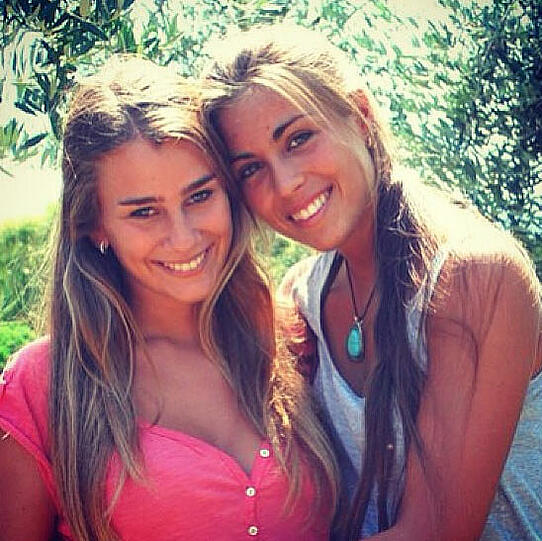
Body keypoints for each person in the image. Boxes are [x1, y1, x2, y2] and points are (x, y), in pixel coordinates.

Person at [199, 24, 542, 540]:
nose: (285, 184)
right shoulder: (304, 300)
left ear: (359, 116)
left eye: (298, 139)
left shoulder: (473, 277)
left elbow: (433, 533)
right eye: (250, 169)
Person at [0, 56, 339, 541]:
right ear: (95, 226)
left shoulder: (291, 335)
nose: (183, 238)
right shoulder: (46, 384)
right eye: (144, 212)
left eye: (200, 196)